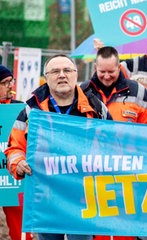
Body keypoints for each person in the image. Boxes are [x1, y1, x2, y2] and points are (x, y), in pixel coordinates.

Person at [4, 54, 111, 240]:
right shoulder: (31, 111)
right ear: (46, 77)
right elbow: (15, 148)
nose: (62, 75)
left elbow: (113, 145)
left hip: (83, 196)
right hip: (46, 197)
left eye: (67, 70)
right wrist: (19, 163)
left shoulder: (96, 108)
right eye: (55, 71)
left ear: (76, 74)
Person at [80, 46, 147, 124]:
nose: (106, 76)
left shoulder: (139, 92)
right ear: (95, 68)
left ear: (119, 67)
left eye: (111, 72)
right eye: (102, 72)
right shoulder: (83, 91)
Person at [0, 65, 31, 240]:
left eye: (11, 81)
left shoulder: (21, 108)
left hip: (12, 179)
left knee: (18, 223)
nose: (10, 86)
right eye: (5, 83)